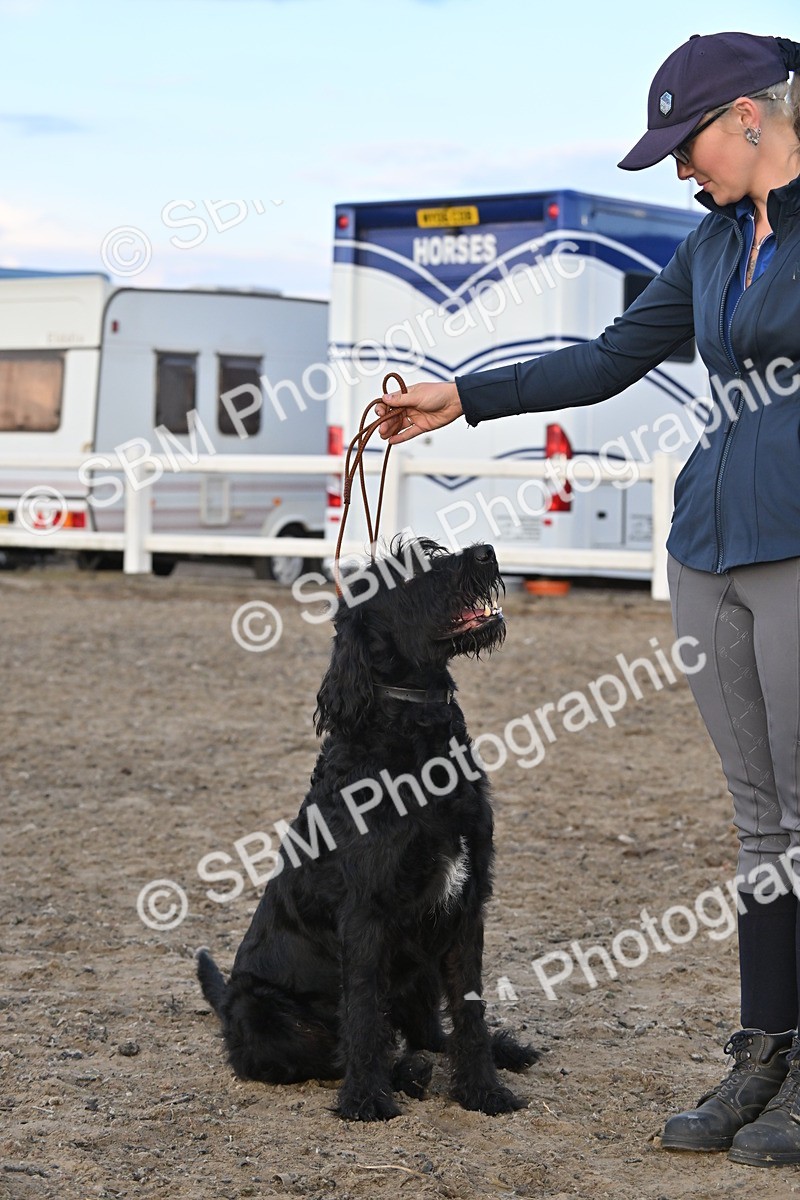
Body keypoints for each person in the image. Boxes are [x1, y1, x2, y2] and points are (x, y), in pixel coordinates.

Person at [377, 30, 800, 1169]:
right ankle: (766, 1052)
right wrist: (464, 396)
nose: (680, 169)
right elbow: (608, 358)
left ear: (750, 117)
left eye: (687, 145)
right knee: (762, 821)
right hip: (708, 548)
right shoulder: (713, 243)